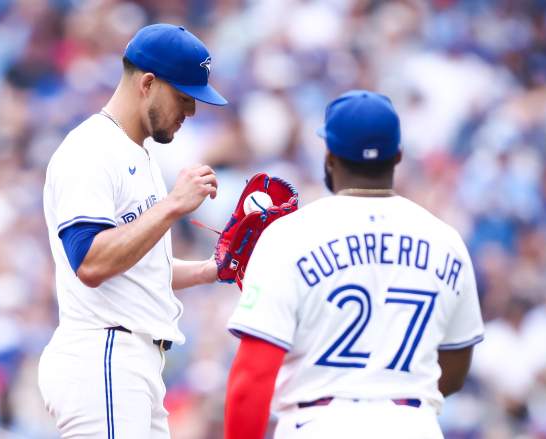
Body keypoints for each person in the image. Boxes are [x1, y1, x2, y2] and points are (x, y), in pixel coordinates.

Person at [223, 90, 485, 439]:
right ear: (398, 156)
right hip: (412, 425)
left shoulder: (291, 235)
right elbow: (454, 369)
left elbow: (252, 378)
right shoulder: (447, 240)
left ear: (330, 157)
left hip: (320, 424)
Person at [37, 24, 227, 439]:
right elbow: (90, 261)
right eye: (184, 97)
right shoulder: (90, 150)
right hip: (103, 354)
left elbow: (138, 266)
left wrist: (212, 269)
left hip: (129, 362)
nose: (191, 112)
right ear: (147, 84)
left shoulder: (136, 154)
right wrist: (173, 205)